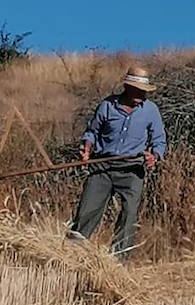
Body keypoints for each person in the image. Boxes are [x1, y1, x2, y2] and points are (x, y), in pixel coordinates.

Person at [68, 65, 167, 258]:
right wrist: (87, 147)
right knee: (87, 210)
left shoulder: (150, 111)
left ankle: (118, 261)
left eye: (144, 91)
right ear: (127, 87)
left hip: (132, 168)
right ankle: (71, 253)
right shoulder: (107, 106)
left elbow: (159, 140)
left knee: (129, 214)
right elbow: (92, 132)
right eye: (138, 90)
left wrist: (154, 156)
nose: (141, 95)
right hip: (103, 166)